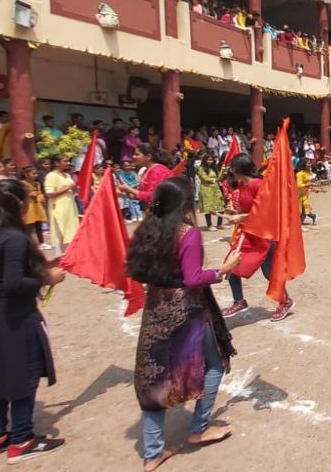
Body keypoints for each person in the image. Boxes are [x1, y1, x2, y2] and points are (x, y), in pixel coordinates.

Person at [126, 177, 241, 471]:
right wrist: (222, 271)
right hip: (186, 309)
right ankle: (199, 428)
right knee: (214, 364)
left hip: (156, 307)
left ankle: (152, 453)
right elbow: (192, 278)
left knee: (154, 374)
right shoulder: (187, 233)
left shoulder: (148, 228)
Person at [0, 180, 66, 462]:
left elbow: (2, 272)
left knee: (0, 371)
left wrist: (44, 266)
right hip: (14, 316)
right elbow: (13, 282)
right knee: (24, 372)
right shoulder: (14, 237)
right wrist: (46, 279)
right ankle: (22, 439)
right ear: (18, 205)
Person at [220, 155, 294, 321]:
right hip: (248, 234)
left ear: (236, 169)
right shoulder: (241, 184)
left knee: (269, 272)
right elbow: (248, 209)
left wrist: (242, 217)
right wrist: (236, 213)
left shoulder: (259, 185)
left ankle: (285, 301)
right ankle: (239, 301)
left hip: (264, 235)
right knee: (231, 266)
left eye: (231, 167)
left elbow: (266, 212)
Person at [43, 155, 79, 255]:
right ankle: (60, 256)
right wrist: (68, 188)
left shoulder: (67, 175)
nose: (68, 163)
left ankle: (70, 255)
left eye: (68, 161)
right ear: (56, 163)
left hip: (70, 207)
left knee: (71, 230)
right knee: (59, 232)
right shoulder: (51, 176)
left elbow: (72, 190)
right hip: (58, 208)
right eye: (65, 161)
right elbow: (49, 194)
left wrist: (75, 188)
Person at [196, 154, 225, 231]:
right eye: (208, 160)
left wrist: (223, 171)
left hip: (216, 189)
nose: (210, 161)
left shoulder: (214, 168)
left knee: (221, 206)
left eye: (211, 160)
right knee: (208, 208)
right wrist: (214, 180)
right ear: (205, 160)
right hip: (206, 190)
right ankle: (209, 225)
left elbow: (219, 178)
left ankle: (219, 224)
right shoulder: (201, 168)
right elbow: (204, 178)